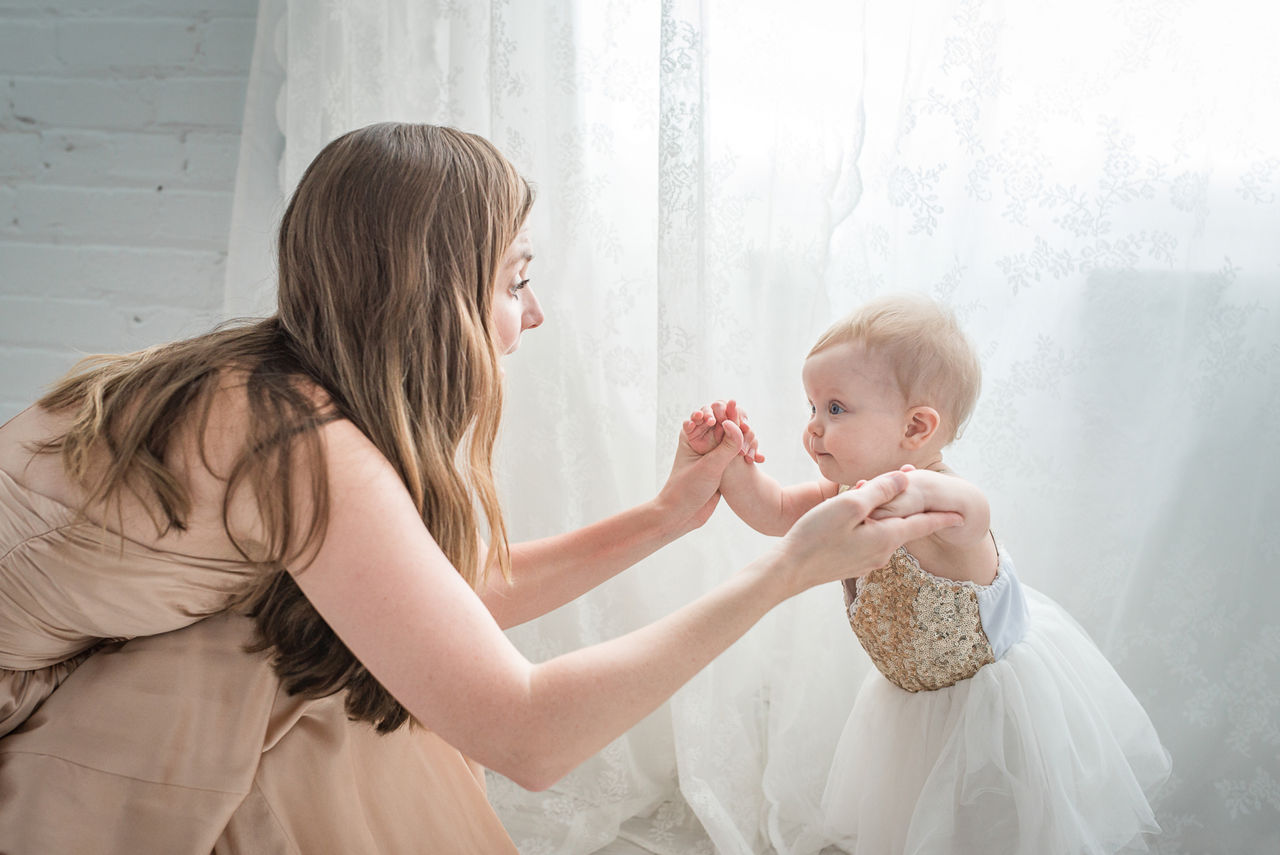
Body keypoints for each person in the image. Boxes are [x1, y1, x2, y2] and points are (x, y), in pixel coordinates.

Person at [0, 123, 964, 853]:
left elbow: (430, 605)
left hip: (69, 670)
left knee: (357, 675)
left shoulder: (274, 384)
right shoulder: (295, 441)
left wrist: (668, 516)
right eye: (513, 280)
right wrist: (786, 573)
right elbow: (529, 735)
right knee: (347, 699)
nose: (531, 313)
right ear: (431, 291)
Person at [683, 294, 1172, 854]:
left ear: (917, 427)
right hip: (914, 705)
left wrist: (909, 490)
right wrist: (732, 461)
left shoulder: (942, 504)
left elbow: (974, 509)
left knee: (997, 832)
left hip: (991, 714)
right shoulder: (847, 491)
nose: (814, 428)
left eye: (836, 409)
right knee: (919, 829)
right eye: (812, 408)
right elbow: (773, 513)